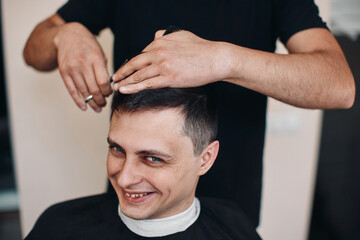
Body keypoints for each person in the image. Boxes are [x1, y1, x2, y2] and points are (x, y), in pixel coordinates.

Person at [23, 0, 355, 227]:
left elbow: (339, 85)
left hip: (229, 206)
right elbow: (34, 48)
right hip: (135, 198)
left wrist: (222, 60)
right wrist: (63, 35)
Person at [24, 87, 262, 239]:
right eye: (117, 149)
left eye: (152, 158)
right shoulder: (58, 226)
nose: (124, 178)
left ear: (205, 159)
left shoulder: (234, 225)